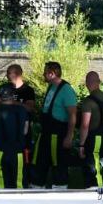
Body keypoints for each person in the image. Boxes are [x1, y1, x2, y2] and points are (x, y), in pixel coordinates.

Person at [29, 61, 77, 190]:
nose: (43, 74)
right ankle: (36, 189)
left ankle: (60, 193)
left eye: (45, 72)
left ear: (52, 73)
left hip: (58, 134)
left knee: (58, 165)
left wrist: (69, 136)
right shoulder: (51, 87)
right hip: (45, 133)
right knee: (38, 162)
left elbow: (73, 115)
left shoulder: (66, 90)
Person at [0, 63, 37, 158]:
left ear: (16, 74)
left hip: (22, 131)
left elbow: (30, 108)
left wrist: (11, 102)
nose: (6, 75)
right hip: (4, 131)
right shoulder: (3, 88)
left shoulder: (28, 90)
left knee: (23, 160)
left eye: (8, 73)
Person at [75, 71, 103, 187]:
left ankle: (98, 192)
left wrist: (81, 145)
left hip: (94, 138)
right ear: (99, 82)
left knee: (93, 168)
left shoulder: (88, 101)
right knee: (99, 164)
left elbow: (85, 125)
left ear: (87, 83)